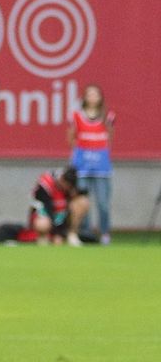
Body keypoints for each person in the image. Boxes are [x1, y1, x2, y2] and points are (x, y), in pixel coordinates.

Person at [67, 84, 114, 244]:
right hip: (83, 165)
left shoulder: (107, 117)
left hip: (101, 166)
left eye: (96, 94)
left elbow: (110, 138)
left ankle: (105, 233)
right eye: (89, 94)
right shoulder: (77, 117)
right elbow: (71, 138)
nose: (93, 98)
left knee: (103, 203)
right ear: (84, 98)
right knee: (83, 201)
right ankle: (86, 233)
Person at [30, 167, 88, 246]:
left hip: (63, 216)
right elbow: (49, 210)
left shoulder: (70, 187)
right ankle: (44, 237)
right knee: (42, 224)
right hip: (47, 215)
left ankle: (72, 234)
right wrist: (57, 233)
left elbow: (83, 193)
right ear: (62, 179)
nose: (67, 188)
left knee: (83, 201)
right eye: (66, 185)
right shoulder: (46, 184)